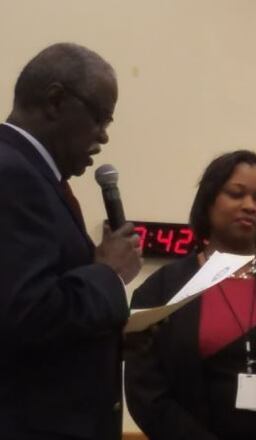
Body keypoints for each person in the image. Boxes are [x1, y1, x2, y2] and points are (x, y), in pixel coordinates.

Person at [124, 150, 256, 440]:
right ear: (209, 201)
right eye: (236, 194)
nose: (250, 206)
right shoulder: (163, 288)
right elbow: (146, 390)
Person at [0, 43, 142, 440]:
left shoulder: (34, 177)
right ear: (56, 100)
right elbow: (27, 313)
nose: (104, 137)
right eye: (100, 118)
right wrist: (109, 274)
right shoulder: (12, 176)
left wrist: (111, 335)